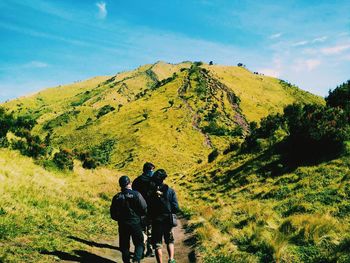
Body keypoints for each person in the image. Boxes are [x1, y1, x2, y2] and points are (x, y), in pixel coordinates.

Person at [110, 175, 147, 263]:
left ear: (120, 185)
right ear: (129, 183)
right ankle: (136, 260)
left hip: (123, 224)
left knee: (124, 246)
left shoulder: (117, 197)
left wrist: (118, 219)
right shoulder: (136, 194)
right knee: (139, 243)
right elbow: (144, 208)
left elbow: (113, 213)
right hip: (135, 222)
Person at [148, 169, 179, 263]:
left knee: (157, 244)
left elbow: (148, 207)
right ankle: (171, 259)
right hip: (168, 219)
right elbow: (176, 207)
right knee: (169, 240)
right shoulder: (170, 191)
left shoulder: (151, 192)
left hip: (156, 221)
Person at [132, 162, 156, 257]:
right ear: (148, 170)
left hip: (139, 210)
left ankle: (140, 250)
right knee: (150, 230)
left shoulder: (136, 181)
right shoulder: (153, 182)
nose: (153, 172)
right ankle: (150, 249)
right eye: (152, 170)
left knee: (141, 230)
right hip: (150, 210)